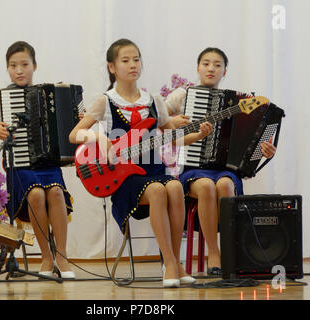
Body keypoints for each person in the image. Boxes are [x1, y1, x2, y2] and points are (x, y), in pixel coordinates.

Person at [69, 38, 212, 287]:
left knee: (176, 186)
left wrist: (197, 135)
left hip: (156, 170)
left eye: (136, 59)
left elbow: (171, 138)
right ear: (112, 67)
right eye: (125, 60)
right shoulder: (105, 101)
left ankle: (175, 261)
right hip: (126, 179)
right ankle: (169, 263)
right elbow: (74, 135)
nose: (133, 64)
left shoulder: (153, 100)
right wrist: (98, 137)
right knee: (158, 190)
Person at [0, 41, 75, 279]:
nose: (19, 70)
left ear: (34, 65)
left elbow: (66, 123)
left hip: (48, 164)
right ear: (7, 69)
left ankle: (62, 256)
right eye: (13, 66)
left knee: (55, 192)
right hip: (19, 163)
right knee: (35, 194)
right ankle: (46, 257)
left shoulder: (48, 93)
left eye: (24, 64)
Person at [165, 47, 277, 275]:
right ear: (197, 67)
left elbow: (252, 144)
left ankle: (230, 251)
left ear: (224, 71)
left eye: (217, 65)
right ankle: (213, 253)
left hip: (225, 171)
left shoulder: (238, 103)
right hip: (193, 170)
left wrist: (264, 150)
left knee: (225, 185)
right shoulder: (182, 95)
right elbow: (158, 125)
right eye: (206, 63)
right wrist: (172, 121)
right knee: (206, 186)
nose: (211, 68)